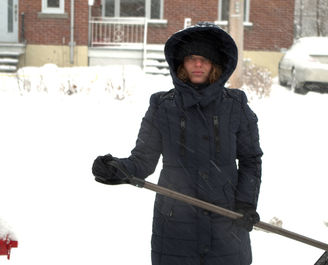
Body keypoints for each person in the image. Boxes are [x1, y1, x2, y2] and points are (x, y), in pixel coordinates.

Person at [92, 22, 263, 265]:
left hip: (226, 222)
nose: (198, 64)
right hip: (175, 223)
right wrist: (118, 169)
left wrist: (245, 204)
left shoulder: (235, 107)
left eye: (205, 58)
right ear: (181, 63)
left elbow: (250, 160)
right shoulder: (163, 107)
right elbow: (143, 159)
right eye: (191, 58)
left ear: (215, 64)